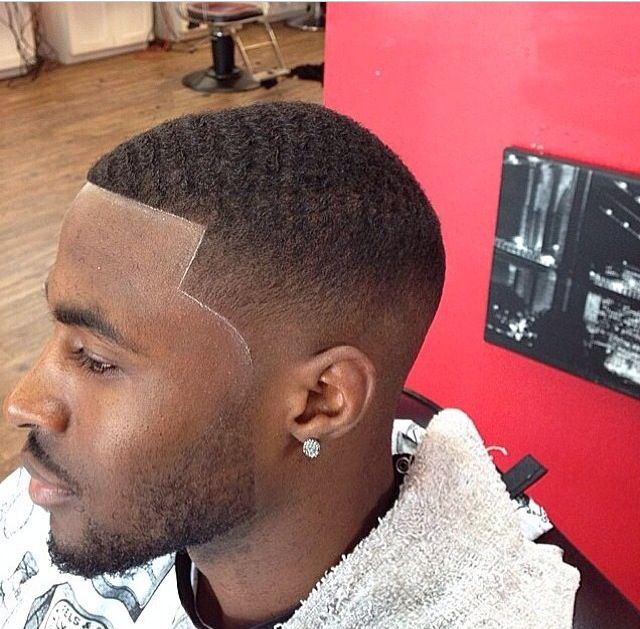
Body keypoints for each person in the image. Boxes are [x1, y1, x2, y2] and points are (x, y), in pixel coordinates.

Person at [1, 102, 579, 629]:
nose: (23, 402)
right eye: (57, 332)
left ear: (318, 402)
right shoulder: (85, 497)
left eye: (96, 360)